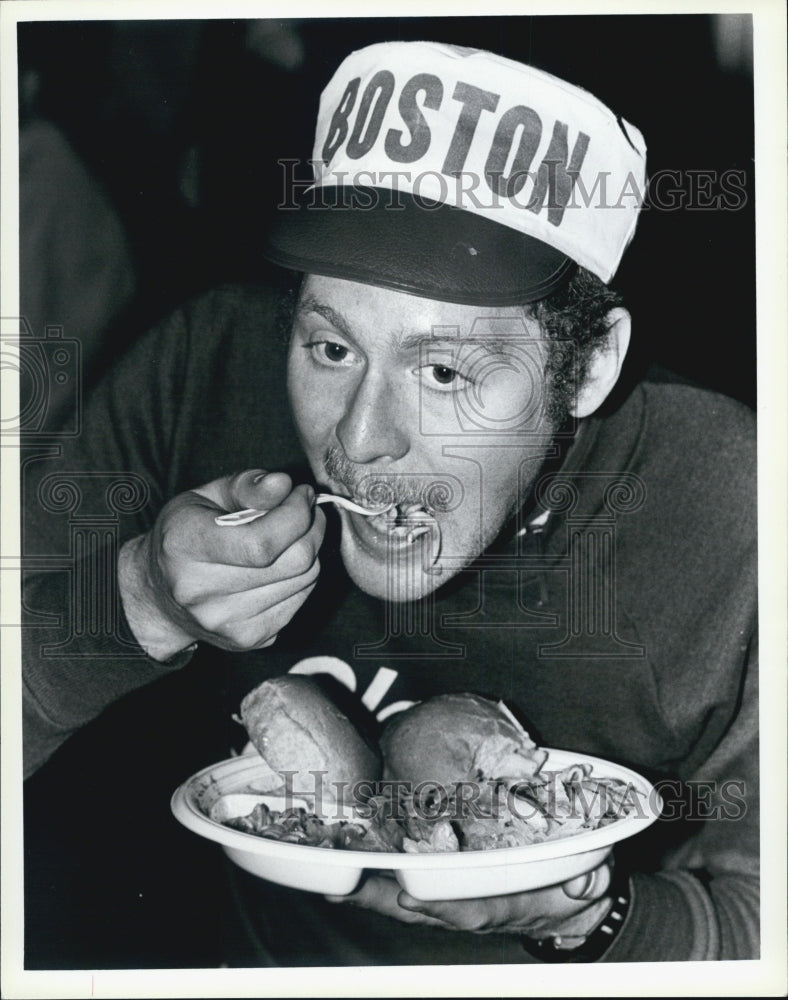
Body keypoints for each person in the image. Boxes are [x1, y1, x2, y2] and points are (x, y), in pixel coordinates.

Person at [22, 40, 757, 966]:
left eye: (445, 370)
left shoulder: (735, 507)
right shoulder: (203, 369)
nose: (360, 440)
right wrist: (135, 602)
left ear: (591, 365)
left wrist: (586, 920)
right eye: (331, 348)